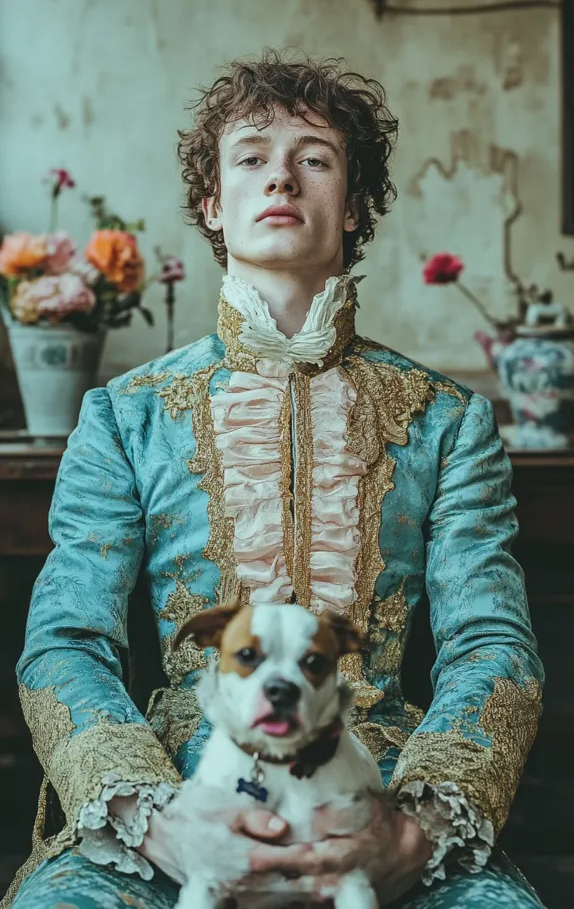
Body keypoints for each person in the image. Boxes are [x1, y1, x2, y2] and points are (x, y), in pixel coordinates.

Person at [4, 51, 545, 909]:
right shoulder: (127, 414)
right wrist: (156, 818)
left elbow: (493, 646)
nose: (282, 177)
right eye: (251, 157)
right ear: (214, 204)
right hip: (181, 804)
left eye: (316, 158)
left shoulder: (449, 419)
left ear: (356, 203)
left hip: (380, 800)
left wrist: (419, 829)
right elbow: (64, 642)